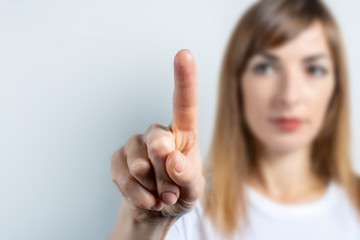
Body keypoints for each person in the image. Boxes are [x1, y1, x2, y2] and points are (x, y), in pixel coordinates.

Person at [109, 0, 360, 239]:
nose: (289, 96)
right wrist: (144, 223)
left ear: (336, 89)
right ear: (237, 86)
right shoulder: (181, 209)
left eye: (314, 69)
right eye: (265, 67)